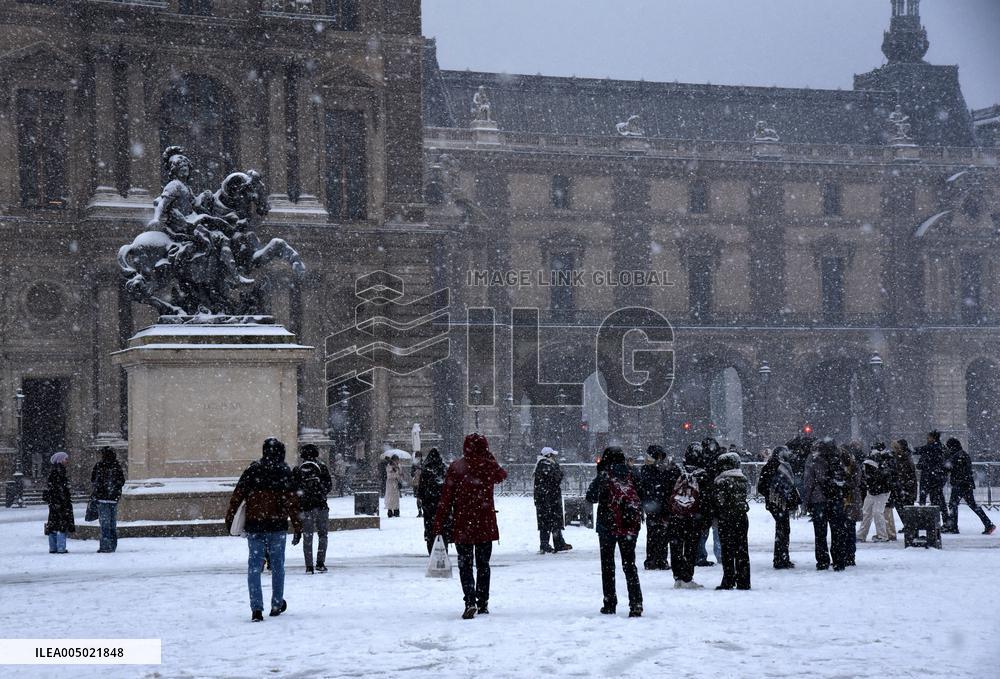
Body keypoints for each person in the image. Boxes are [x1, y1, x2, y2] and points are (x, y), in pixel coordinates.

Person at [225, 438, 303, 622]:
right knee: (277, 566)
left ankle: (256, 609)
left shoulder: (253, 470)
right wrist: (298, 526)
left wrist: (230, 519)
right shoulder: (284, 472)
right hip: (277, 526)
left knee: (254, 567)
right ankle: (276, 603)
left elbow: (237, 496)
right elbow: (292, 502)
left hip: (255, 525)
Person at [433, 433, 507, 619]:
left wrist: (439, 523)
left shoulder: (457, 467)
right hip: (485, 522)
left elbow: (446, 498)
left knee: (465, 565)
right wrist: (489, 457)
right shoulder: (488, 466)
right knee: (483, 565)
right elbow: (501, 475)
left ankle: (470, 601)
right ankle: (483, 602)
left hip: (463, 523)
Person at [586, 446, 643, 617]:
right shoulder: (632, 474)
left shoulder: (604, 475)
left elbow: (591, 496)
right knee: (630, 565)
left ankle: (610, 602)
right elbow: (643, 494)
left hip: (607, 526)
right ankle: (636, 603)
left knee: (608, 565)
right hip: (630, 526)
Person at [802, 438, 850, 571]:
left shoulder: (813, 459)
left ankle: (822, 561)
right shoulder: (839, 457)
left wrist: (806, 502)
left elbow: (808, 481)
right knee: (838, 532)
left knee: (820, 533)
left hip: (819, 500)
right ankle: (839, 561)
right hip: (836, 499)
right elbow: (848, 475)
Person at [665, 444, 709, 589]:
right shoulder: (703, 474)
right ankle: (687, 577)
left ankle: (677, 576)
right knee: (691, 547)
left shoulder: (676, 471)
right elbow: (706, 498)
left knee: (676, 546)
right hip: (693, 517)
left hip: (676, 516)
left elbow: (666, 493)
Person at [757, 445, 800, 569]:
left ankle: (781, 558)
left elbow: (762, 486)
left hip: (777, 503)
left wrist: (772, 495)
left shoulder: (772, 466)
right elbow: (763, 486)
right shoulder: (779, 466)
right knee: (783, 530)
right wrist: (775, 494)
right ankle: (781, 559)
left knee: (782, 530)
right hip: (779, 503)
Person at [292, 444, 333, 573]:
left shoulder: (298, 469)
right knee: (323, 535)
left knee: (307, 536)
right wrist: (320, 492)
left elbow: (294, 489)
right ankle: (320, 562)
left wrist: (303, 495)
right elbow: (329, 486)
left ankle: (309, 566)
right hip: (321, 505)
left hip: (306, 507)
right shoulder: (322, 467)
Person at [713, 451, 751, 590]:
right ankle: (744, 580)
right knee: (742, 550)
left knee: (727, 550)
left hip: (726, 518)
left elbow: (718, 502)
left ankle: (728, 579)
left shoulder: (721, 480)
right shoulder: (742, 479)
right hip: (741, 517)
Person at [944, 438, 996, 535]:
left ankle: (953, 527)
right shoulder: (962, 454)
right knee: (973, 505)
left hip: (960, 484)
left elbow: (948, 467)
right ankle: (988, 524)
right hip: (966, 484)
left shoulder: (957, 455)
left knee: (953, 504)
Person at [533, 446, 572, 554]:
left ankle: (554, 543)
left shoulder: (542, 464)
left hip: (546, 498)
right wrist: (559, 472)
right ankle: (550, 544)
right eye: (553, 455)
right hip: (549, 499)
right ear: (549, 455)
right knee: (551, 521)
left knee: (549, 522)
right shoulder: (546, 465)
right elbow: (555, 478)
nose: (555, 457)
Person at [638, 444, 672, 570]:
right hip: (661, 507)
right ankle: (660, 559)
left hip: (652, 507)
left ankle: (652, 560)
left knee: (653, 535)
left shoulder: (646, 470)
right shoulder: (663, 470)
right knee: (662, 536)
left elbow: (643, 489)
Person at [90, 446, 126, 553]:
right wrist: (115, 490)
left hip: (102, 499)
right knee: (112, 523)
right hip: (113, 499)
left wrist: (100, 489)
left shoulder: (99, 466)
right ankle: (112, 545)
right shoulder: (116, 466)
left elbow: (93, 480)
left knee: (105, 524)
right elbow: (122, 481)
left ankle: (105, 546)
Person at [697, 438, 724, 567]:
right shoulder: (718, 460)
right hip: (714, 499)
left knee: (704, 531)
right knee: (716, 529)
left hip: (705, 500)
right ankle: (719, 555)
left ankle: (701, 555)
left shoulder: (701, 460)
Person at [857, 445, 892, 543]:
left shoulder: (873, 467)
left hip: (879, 491)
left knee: (874, 513)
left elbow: (876, 479)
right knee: (869, 512)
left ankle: (879, 535)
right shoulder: (881, 466)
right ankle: (865, 535)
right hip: (878, 491)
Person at [417, 448, 448, 555]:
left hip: (429, 503)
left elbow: (421, 488)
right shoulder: (443, 469)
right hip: (442, 503)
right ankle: (444, 548)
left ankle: (431, 548)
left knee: (430, 527)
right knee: (442, 527)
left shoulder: (426, 470)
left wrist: (421, 498)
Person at [916, 430, 950, 527]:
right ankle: (944, 521)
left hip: (930, 477)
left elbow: (920, 453)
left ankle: (925, 521)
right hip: (936, 478)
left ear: (933, 438)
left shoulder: (932, 448)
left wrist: (922, 465)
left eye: (929, 437)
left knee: (926, 499)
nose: (927, 439)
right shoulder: (940, 448)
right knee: (938, 500)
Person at [44, 452, 75, 554]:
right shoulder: (59, 471)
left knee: (53, 524)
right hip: (60, 502)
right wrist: (63, 498)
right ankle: (61, 547)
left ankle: (53, 547)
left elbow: (52, 487)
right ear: (60, 460)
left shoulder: (53, 471)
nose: (67, 461)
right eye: (65, 459)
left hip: (54, 502)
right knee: (62, 524)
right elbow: (59, 487)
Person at [842, 447, 864, 567]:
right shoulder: (852, 466)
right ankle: (848, 555)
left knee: (849, 530)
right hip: (847, 502)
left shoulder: (854, 467)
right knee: (847, 530)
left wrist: (844, 481)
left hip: (850, 501)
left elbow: (855, 482)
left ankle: (849, 555)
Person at [890, 439, 918, 531]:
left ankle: (910, 526)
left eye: (897, 447)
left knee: (906, 507)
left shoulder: (905, 457)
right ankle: (908, 525)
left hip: (905, 487)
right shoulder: (902, 457)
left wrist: (904, 485)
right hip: (902, 486)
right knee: (902, 507)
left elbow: (907, 473)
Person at [411, 451, 424, 517]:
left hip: (422, 482)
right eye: (417, 456)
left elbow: (425, 471)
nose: (418, 457)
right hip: (416, 482)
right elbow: (411, 473)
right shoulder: (414, 464)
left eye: (419, 456)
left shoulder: (423, 463)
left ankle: (424, 511)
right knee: (418, 498)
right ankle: (419, 511)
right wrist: (415, 472)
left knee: (423, 498)